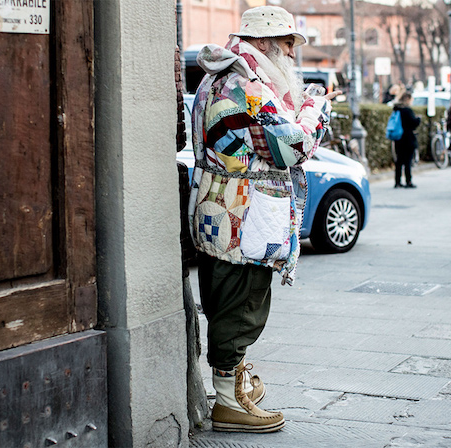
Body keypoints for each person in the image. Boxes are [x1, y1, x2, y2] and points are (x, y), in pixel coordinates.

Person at [187, 5, 339, 433]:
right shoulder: (246, 82)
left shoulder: (227, 74)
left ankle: (233, 384)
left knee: (230, 300)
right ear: (266, 42)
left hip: (227, 211)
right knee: (241, 303)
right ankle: (230, 402)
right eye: (289, 42)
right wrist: (315, 109)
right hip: (244, 216)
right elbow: (291, 146)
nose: (293, 51)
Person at [392, 92, 420, 188]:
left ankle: (397, 182)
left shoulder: (397, 110)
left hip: (398, 138)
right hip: (408, 138)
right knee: (408, 161)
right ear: (408, 99)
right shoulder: (407, 111)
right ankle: (408, 181)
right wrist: (418, 119)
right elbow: (413, 123)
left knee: (399, 161)